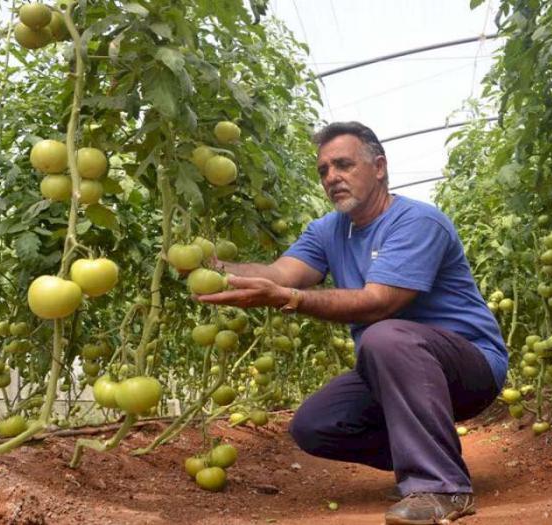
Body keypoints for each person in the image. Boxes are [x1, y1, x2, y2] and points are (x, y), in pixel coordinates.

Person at [197, 121, 507, 525]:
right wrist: (216, 269)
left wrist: (292, 300)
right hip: (393, 368)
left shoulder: (416, 221)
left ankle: (443, 487)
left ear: (379, 167)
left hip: (469, 368)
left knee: (384, 335)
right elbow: (281, 273)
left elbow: (380, 303)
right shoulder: (329, 230)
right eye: (323, 170)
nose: (331, 177)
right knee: (316, 424)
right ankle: (431, 455)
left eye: (343, 164)